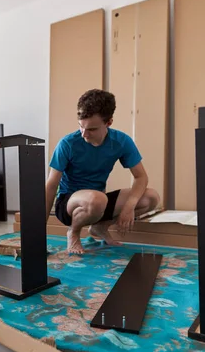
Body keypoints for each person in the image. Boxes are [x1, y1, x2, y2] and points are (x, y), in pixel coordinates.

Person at [45, 89, 160, 254]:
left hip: (99, 203)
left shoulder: (121, 141)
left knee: (151, 197)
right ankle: (73, 232)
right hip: (69, 205)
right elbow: (51, 185)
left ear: (109, 123)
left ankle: (100, 227)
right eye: (80, 127)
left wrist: (129, 206)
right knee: (97, 199)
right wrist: (38, 230)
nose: (84, 134)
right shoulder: (67, 143)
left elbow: (141, 177)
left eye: (91, 129)